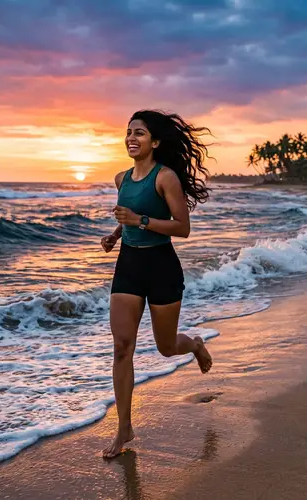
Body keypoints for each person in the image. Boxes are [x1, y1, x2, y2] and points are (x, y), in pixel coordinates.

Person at [100, 109, 213, 458]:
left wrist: (139, 220)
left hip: (162, 266)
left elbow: (182, 227)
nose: (132, 138)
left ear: (156, 142)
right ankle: (124, 428)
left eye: (141, 133)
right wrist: (118, 233)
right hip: (129, 265)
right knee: (122, 346)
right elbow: (130, 217)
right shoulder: (121, 179)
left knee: (166, 347)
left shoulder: (166, 178)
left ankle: (193, 344)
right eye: (129, 132)